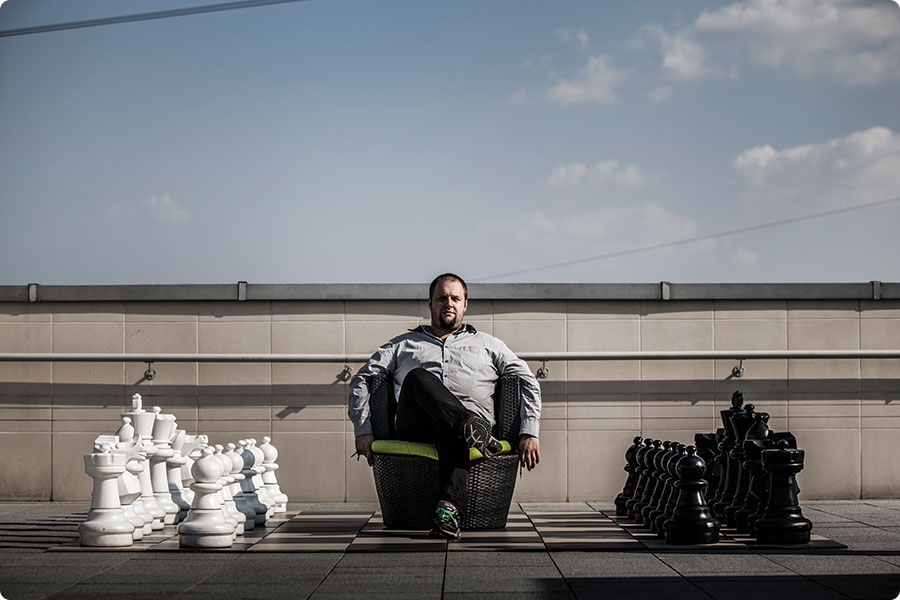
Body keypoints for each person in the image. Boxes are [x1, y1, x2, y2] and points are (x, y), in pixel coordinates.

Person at [348, 273, 542, 539]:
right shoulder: (403, 345)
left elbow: (527, 380)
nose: (448, 303)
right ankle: (469, 427)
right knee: (417, 377)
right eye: (442, 298)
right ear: (430, 304)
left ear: (465, 305)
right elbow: (361, 379)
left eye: (455, 298)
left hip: (462, 430)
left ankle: (448, 511)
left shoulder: (489, 345)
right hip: (416, 425)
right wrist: (363, 428)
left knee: (448, 427)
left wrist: (530, 431)